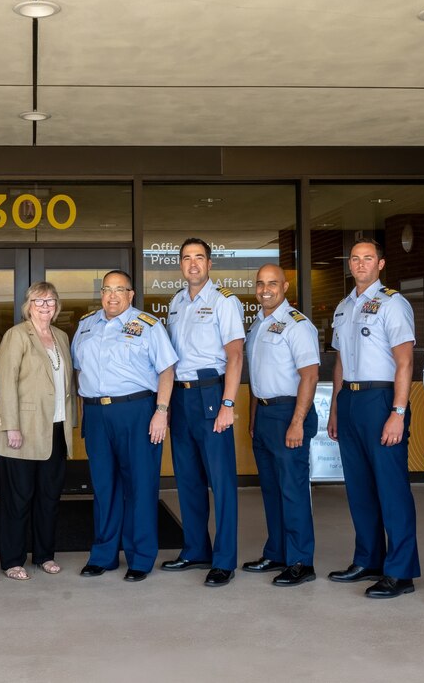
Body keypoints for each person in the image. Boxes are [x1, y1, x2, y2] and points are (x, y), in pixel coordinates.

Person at [327, 239, 420, 598]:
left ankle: (401, 571)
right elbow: (340, 363)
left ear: (381, 264)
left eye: (368, 258)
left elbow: (405, 362)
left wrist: (398, 412)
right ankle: (368, 559)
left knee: (391, 488)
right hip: (350, 400)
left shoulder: (393, 303)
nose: (360, 263)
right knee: (360, 487)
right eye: (355, 258)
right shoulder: (344, 305)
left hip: (381, 399)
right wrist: (337, 407)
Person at [72, 270, 177, 582]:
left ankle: (140, 557)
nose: (112, 295)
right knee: (104, 486)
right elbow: (78, 370)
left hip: (137, 410)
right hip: (97, 414)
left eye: (120, 290)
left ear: (131, 294)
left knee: (140, 486)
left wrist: (161, 411)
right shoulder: (86, 324)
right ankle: (104, 555)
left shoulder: (148, 325)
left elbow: (167, 370)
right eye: (107, 289)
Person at [163, 238, 244, 587]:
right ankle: (196, 549)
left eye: (199, 258)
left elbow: (236, 356)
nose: (192, 264)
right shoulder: (176, 302)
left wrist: (228, 404)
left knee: (221, 481)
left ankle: (224, 559)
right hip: (181, 397)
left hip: (211, 393)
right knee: (188, 479)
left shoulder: (224, 301)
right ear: (180, 265)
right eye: (186, 258)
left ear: (210, 264)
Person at [0, 282, 75, 581]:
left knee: (49, 498)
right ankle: (13, 560)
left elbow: (67, 386)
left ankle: (44, 555)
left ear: (57, 305)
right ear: (28, 305)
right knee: (19, 498)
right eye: (39, 300)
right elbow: (6, 382)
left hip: (55, 428)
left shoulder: (62, 336)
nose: (45, 306)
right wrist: (11, 425)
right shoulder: (17, 335)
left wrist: (71, 423)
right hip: (23, 430)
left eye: (51, 300)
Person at [244, 264, 320, 586]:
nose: (265, 289)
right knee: (272, 490)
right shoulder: (257, 324)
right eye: (260, 284)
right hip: (263, 416)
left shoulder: (297, 325)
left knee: (293, 490)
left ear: (285, 286)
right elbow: (256, 377)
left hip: (289, 413)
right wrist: (252, 420)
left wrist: (297, 422)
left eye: (272, 283)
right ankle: (277, 552)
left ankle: (301, 561)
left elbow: (310, 375)